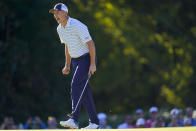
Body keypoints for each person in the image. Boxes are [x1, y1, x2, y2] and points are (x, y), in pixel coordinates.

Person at [49, 3, 99, 129]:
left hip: (86, 59)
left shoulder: (77, 25)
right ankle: (95, 123)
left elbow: (91, 44)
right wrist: (67, 65)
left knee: (75, 86)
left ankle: (74, 120)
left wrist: (92, 64)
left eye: (58, 12)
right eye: (54, 13)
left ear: (65, 13)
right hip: (76, 62)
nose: (56, 15)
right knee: (84, 92)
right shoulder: (60, 28)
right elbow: (67, 45)